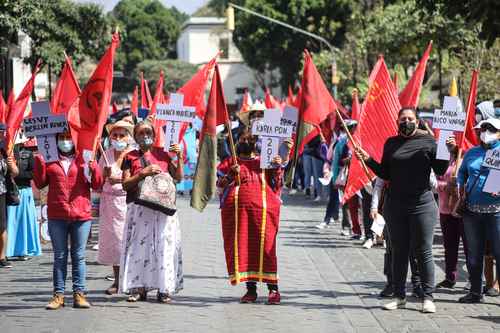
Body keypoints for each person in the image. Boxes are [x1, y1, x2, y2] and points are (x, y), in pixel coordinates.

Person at [355, 108, 453, 313]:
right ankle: (399, 296)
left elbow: (441, 170)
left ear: (417, 122)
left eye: (410, 119)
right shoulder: (391, 143)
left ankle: (428, 297)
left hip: (422, 205)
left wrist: (448, 150)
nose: (406, 122)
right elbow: (385, 173)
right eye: (403, 119)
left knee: (423, 251)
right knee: (398, 252)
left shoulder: (429, 142)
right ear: (397, 121)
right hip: (396, 205)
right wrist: (368, 160)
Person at [34, 129, 103, 310]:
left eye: (68, 138)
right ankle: (58, 296)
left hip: (81, 215)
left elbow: (97, 184)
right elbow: (40, 183)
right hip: (57, 214)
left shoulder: (84, 158)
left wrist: (94, 167)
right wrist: (39, 162)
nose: (65, 141)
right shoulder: (48, 158)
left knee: (79, 256)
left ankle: (79, 294)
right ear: (56, 140)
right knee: (60, 256)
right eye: (62, 138)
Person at [217, 127, 287, 304]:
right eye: (242, 140)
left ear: (256, 144)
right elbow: (220, 184)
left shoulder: (265, 161)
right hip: (239, 215)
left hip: (264, 213)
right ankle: (251, 290)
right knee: (244, 248)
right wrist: (231, 173)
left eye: (250, 140)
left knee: (266, 249)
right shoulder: (231, 161)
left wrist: (278, 166)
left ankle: (273, 290)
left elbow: (277, 183)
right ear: (236, 142)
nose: (246, 143)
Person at [120, 120, 184, 303]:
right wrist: (142, 173)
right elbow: (125, 185)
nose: (145, 135)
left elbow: (178, 178)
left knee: (164, 247)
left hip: (163, 211)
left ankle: (164, 289)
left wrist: (178, 157)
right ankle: (138, 288)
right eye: (141, 132)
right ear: (135, 136)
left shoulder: (163, 154)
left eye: (148, 132)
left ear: (154, 136)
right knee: (139, 249)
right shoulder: (129, 157)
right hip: (139, 210)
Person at [457, 118, 500, 303]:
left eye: (490, 128)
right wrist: (459, 184)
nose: (485, 131)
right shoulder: (471, 153)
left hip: (497, 212)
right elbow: (462, 173)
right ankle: (475, 292)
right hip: (472, 212)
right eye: (482, 128)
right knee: (474, 254)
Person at [97, 120, 134, 295]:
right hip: (109, 204)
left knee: (129, 241)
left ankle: (132, 281)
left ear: (128, 137)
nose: (118, 138)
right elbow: (96, 181)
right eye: (115, 135)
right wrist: (102, 175)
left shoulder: (134, 155)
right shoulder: (106, 155)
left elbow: (139, 178)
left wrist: (118, 180)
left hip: (128, 203)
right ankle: (117, 281)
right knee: (114, 243)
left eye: (122, 135)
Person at [435, 149, 468, 289]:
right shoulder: (441, 158)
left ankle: (473, 278)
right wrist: (445, 185)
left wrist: (459, 185)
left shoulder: (467, 157)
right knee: (449, 246)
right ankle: (450, 277)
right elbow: (432, 180)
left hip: (463, 210)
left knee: (469, 246)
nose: (449, 144)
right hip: (445, 209)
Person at [6, 130, 41, 260]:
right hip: (9, 191)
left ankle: (24, 249)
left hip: (24, 191)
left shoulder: (28, 154)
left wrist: (16, 174)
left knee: (23, 221)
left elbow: (32, 173)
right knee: (9, 222)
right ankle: (7, 250)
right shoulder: (5, 155)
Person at [0, 123, 19, 268]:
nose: (2, 135)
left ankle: (2, 257)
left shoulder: (5, 151)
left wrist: (11, 164)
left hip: (1, 192)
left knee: (1, 226)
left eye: (3, 133)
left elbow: (15, 173)